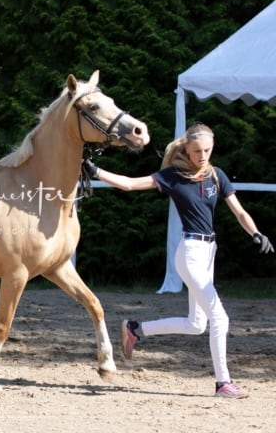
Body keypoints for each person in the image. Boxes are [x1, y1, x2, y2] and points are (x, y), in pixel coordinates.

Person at [83, 123, 273, 399]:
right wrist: (96, 171)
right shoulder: (173, 176)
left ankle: (136, 330)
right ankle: (223, 384)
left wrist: (255, 232)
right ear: (186, 149)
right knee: (220, 317)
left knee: (197, 325)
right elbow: (130, 184)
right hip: (190, 252)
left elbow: (239, 211)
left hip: (209, 252)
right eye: (197, 150)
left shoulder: (217, 176)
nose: (203, 155)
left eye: (207, 150)